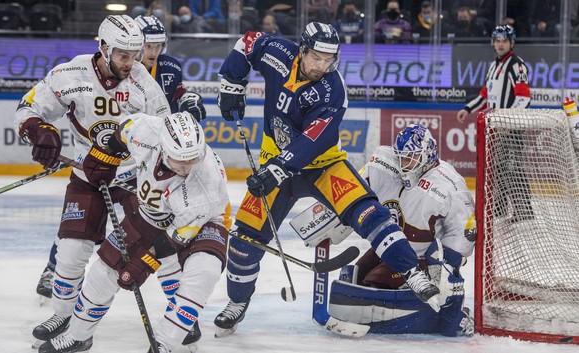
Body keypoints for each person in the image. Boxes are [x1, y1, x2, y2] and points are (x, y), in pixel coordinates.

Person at [211, 21, 441, 338]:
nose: (322, 66)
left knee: (370, 213)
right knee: (243, 240)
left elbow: (313, 141)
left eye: (329, 59)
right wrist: (231, 82)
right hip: (273, 162)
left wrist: (278, 169)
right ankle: (237, 303)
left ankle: (411, 272)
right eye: (316, 57)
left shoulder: (333, 90)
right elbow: (248, 42)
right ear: (302, 51)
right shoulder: (277, 51)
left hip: (324, 166)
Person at [15, 14, 170, 348]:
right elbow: (28, 107)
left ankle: (180, 318)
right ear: (103, 47)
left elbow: (164, 132)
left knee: (164, 249)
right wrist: (39, 131)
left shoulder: (143, 83)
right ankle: (64, 315)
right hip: (86, 177)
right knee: (70, 253)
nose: (131, 62)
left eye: (135, 54)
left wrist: (126, 157)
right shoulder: (69, 73)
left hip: (133, 179)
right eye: (123, 55)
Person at [33, 14, 207, 301]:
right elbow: (35, 108)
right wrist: (40, 132)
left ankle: (179, 307)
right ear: (106, 47)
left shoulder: (159, 74)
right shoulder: (77, 74)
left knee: (157, 235)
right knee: (76, 231)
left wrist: (188, 110)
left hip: (137, 172)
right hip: (91, 171)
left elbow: (166, 120)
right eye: (144, 48)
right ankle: (54, 269)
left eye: (154, 47)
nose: (148, 55)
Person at [37, 111, 231, 353]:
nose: (187, 167)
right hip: (152, 213)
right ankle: (78, 336)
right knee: (102, 272)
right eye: (181, 160)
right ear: (163, 145)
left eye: (193, 159)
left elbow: (174, 238)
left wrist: (144, 263)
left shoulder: (207, 183)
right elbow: (123, 130)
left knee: (203, 273)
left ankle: (164, 344)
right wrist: (106, 155)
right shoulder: (146, 128)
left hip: (202, 223)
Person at [292, 124, 476, 337]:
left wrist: (446, 268)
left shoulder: (449, 184)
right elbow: (353, 193)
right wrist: (328, 221)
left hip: (418, 258)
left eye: (410, 158)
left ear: (427, 155)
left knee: (372, 283)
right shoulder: (381, 162)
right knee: (355, 277)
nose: (403, 164)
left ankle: (432, 311)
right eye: (400, 157)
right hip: (385, 245)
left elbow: (464, 230)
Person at [456, 24, 532, 223]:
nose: (500, 44)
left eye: (504, 40)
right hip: (495, 126)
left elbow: (524, 98)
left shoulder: (517, 65)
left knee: (512, 168)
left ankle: (524, 210)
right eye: (497, 40)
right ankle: (499, 209)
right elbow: (484, 95)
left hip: (510, 128)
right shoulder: (494, 66)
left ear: (511, 42)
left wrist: (509, 120)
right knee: (497, 168)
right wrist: (467, 108)